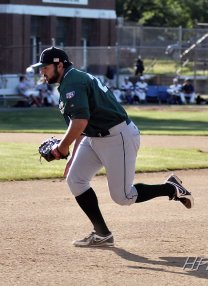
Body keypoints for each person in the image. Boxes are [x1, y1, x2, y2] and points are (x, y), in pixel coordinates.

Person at [29, 46, 194, 247]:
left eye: (45, 67)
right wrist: (71, 157)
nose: (42, 72)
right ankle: (102, 234)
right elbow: (83, 126)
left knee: (123, 197)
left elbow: (80, 121)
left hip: (118, 137)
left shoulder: (73, 81)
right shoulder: (70, 80)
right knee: (76, 179)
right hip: (94, 137)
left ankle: (171, 189)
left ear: (59, 65)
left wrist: (62, 149)